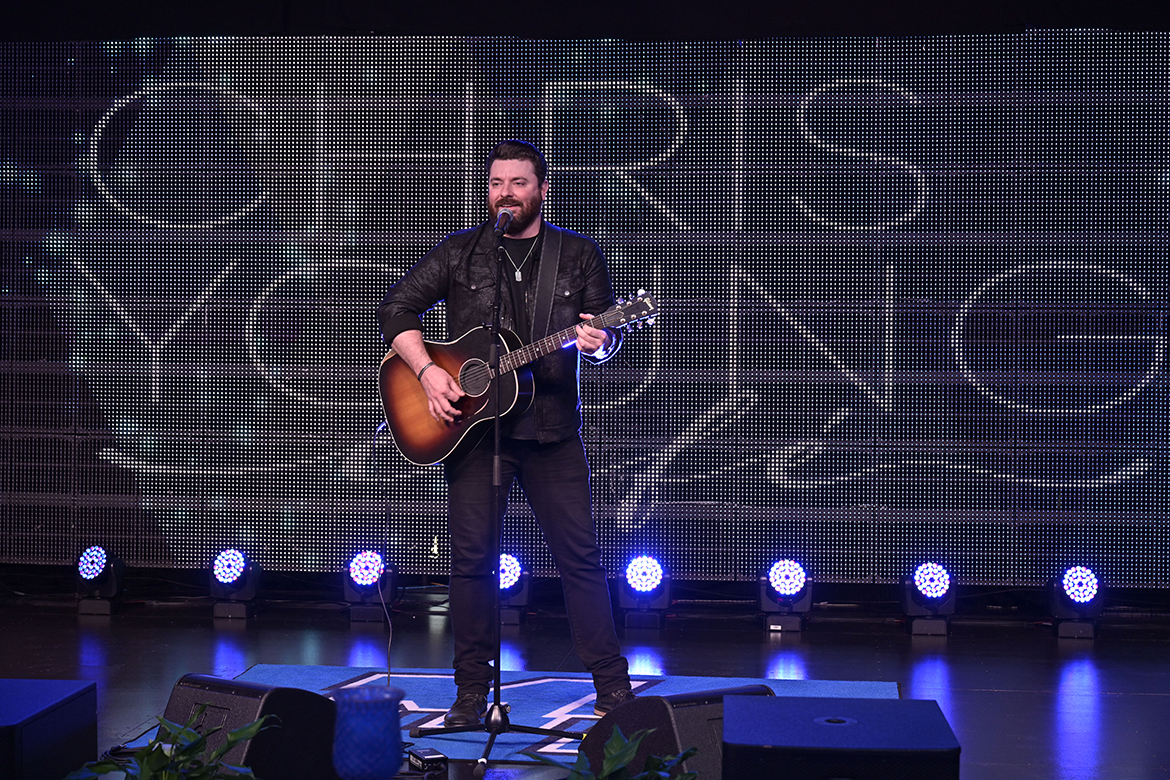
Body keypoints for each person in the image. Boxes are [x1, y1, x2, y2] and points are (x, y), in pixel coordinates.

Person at [377, 139, 635, 726]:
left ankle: (612, 688)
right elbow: (397, 310)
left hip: (551, 434)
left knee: (580, 559)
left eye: (518, 183)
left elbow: (605, 337)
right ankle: (471, 694)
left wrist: (602, 342)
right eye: (497, 183)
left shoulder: (576, 255)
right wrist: (427, 373)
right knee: (470, 564)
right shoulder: (464, 253)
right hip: (473, 433)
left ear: (541, 189)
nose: (506, 193)